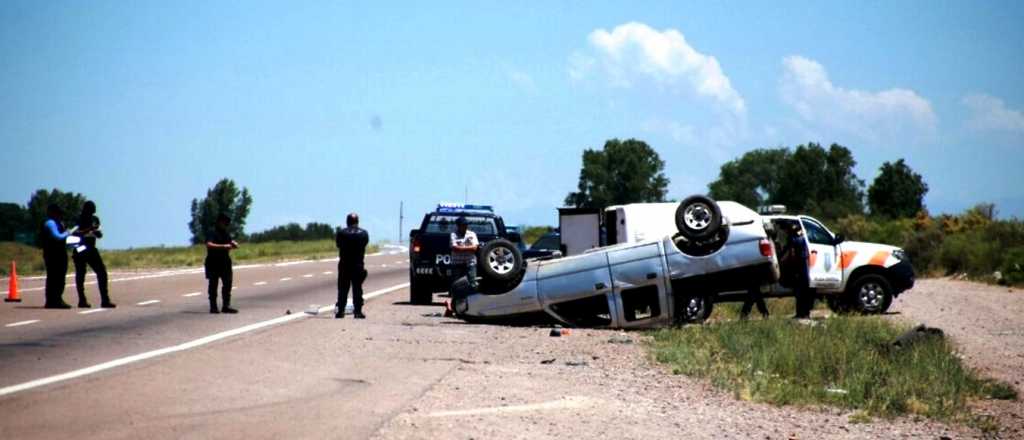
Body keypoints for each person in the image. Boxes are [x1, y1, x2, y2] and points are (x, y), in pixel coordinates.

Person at [72, 201, 116, 308]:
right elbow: (74, 233)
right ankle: (82, 300)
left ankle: (105, 299)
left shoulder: (95, 219)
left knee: (102, 272)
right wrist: (89, 229)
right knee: (81, 274)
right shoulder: (78, 219)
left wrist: (96, 231)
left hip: (91, 247)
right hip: (80, 247)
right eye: (91, 208)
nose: (93, 210)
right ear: (86, 209)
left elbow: (99, 234)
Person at [335, 213, 369, 319]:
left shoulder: (341, 233)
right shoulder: (363, 233)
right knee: (357, 288)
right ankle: (358, 311)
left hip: (345, 264)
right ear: (357, 221)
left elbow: (338, 245)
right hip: (357, 264)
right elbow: (364, 244)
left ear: (347, 221)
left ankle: (340, 311)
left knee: (343, 289)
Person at [205, 213, 238, 314]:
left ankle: (226, 306)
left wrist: (233, 243)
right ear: (220, 222)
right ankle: (213, 307)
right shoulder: (212, 232)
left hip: (225, 262)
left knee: (227, 284)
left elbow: (230, 241)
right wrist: (223, 246)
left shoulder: (225, 232)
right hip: (213, 262)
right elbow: (209, 244)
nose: (226, 225)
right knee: (213, 285)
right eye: (225, 222)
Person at [41, 204, 72, 309]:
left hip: (60, 254)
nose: (60, 216)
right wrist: (67, 233)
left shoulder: (59, 223)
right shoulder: (50, 223)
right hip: (52, 255)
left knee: (60, 278)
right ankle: (53, 300)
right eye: (59, 213)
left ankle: (56, 299)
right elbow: (57, 236)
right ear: (53, 213)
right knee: (53, 278)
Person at [782, 222, 813, 319]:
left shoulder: (800, 237)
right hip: (799, 266)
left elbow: (797, 243)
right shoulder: (795, 237)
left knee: (803, 291)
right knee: (799, 292)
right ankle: (801, 313)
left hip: (802, 265)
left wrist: (791, 237)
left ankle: (805, 313)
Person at [450, 216, 479, 289]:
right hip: (457, 263)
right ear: (458, 226)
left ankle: (472, 299)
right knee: (456, 284)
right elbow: (455, 248)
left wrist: (461, 248)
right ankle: (457, 299)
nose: (465, 226)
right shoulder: (453, 234)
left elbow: (474, 248)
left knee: (473, 283)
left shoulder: (472, 234)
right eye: (463, 225)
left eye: (466, 225)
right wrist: (469, 248)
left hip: (470, 263)